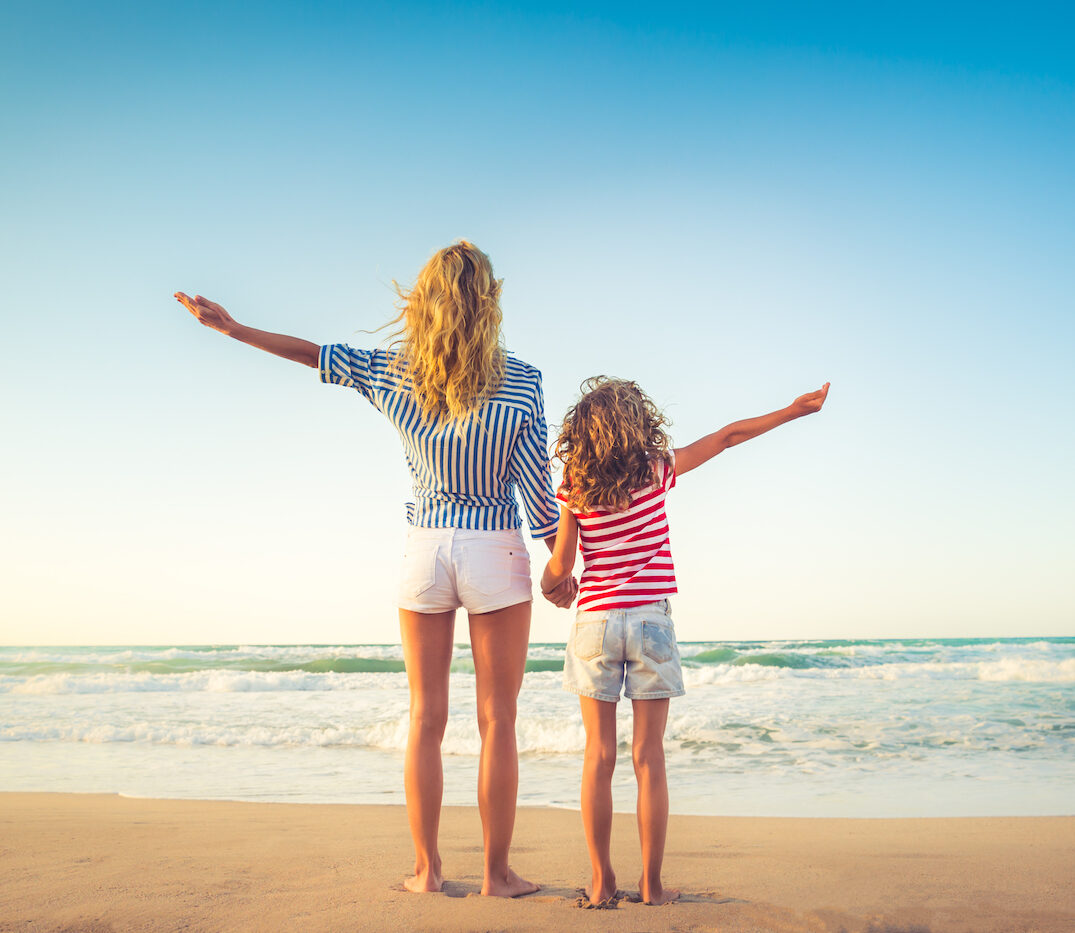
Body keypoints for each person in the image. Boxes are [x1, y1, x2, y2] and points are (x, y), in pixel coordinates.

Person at [176, 241, 576, 898]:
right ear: (489, 302)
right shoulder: (523, 379)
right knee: (497, 717)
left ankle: (426, 870)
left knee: (424, 716)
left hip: (423, 547)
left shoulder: (395, 370)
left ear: (425, 301)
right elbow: (539, 492)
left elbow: (314, 355)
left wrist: (232, 329)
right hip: (494, 546)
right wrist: (560, 564)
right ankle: (497, 874)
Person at [541, 376, 829, 906]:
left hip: (595, 622)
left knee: (598, 755)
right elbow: (726, 437)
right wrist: (790, 412)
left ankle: (602, 882)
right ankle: (651, 886)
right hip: (651, 620)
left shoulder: (574, 485)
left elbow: (560, 565)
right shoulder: (655, 470)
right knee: (648, 756)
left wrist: (550, 582)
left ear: (581, 433)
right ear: (636, 423)